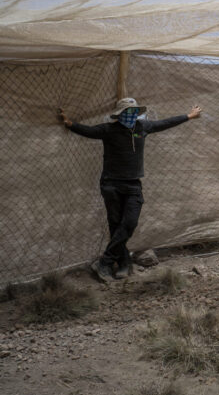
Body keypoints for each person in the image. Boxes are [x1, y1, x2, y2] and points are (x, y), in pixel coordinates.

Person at [59, 97, 202, 283]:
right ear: (119, 114)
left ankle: (105, 262)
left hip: (133, 184)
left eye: (134, 112)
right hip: (111, 184)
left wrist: (188, 116)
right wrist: (70, 124)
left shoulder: (142, 127)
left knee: (129, 223)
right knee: (115, 224)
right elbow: (89, 131)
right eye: (127, 112)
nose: (131, 115)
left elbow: (164, 123)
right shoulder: (109, 130)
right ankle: (124, 263)